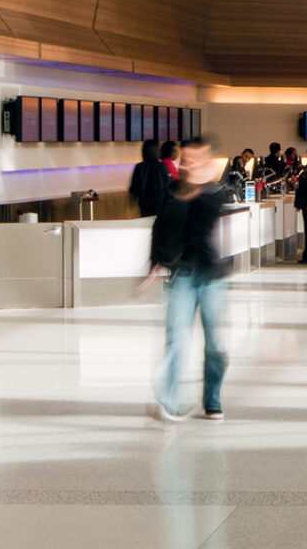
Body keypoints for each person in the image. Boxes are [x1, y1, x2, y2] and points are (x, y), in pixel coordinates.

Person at [146, 137, 232, 422]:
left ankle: (212, 399)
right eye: (186, 159)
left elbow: (204, 219)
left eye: (195, 160)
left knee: (215, 343)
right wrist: (155, 263)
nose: (188, 165)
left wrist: (197, 185)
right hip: (181, 274)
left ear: (207, 163)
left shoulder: (216, 192)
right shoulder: (172, 190)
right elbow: (161, 227)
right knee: (175, 339)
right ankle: (167, 402)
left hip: (212, 277)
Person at [129, 136, 169, 217]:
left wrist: (132, 200)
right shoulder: (161, 167)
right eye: (158, 148)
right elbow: (168, 185)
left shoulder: (139, 167)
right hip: (160, 204)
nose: (160, 151)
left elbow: (134, 187)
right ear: (154, 151)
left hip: (144, 206)